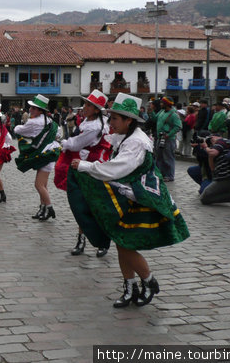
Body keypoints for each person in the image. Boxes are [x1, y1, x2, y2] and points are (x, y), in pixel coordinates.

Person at [70, 93, 190, 308]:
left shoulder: (136, 142)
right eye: (111, 117)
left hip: (143, 198)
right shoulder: (125, 136)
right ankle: (130, 286)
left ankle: (148, 281)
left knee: (124, 244)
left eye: (115, 118)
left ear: (129, 121)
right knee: (120, 242)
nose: (111, 122)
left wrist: (86, 166)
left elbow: (117, 169)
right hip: (131, 194)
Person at [53, 90, 112, 257]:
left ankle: (102, 240)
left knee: (92, 207)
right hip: (82, 167)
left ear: (96, 110)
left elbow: (75, 144)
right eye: (85, 104)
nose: (84, 107)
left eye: (88, 105)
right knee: (81, 207)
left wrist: (61, 142)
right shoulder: (88, 121)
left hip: (92, 169)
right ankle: (82, 239)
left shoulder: (94, 126)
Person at [13, 95, 61, 219]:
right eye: (31, 108)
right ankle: (43, 208)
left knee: (38, 185)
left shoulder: (34, 122)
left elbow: (19, 130)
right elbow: (59, 133)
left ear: (40, 110)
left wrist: (18, 126)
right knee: (43, 185)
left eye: (33, 108)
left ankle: (49, 208)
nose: (30, 110)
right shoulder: (49, 120)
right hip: (50, 153)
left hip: (44, 155)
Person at [191, 135, 230, 206]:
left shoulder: (220, 142)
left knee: (204, 198)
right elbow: (211, 165)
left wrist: (205, 147)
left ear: (213, 137)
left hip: (226, 177)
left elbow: (212, 153)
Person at [154, 97, 182, 182]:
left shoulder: (173, 114)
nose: (161, 104)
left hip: (169, 139)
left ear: (167, 104)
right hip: (160, 138)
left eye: (162, 103)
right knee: (159, 157)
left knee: (168, 158)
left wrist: (168, 134)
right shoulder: (161, 112)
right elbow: (155, 119)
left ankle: (170, 175)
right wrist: (151, 112)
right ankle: (160, 174)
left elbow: (178, 126)